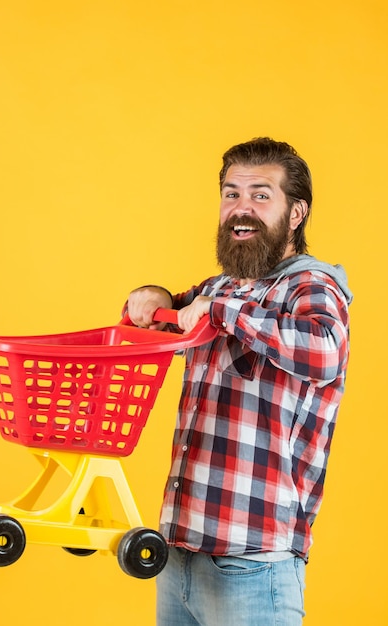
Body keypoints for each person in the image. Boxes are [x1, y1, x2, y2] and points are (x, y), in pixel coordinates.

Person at [126, 137, 352, 626]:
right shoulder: (222, 286)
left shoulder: (312, 286)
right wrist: (150, 297)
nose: (241, 209)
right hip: (179, 551)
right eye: (231, 194)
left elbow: (324, 351)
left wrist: (222, 311)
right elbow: (164, 317)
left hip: (253, 562)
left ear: (296, 214)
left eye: (261, 195)